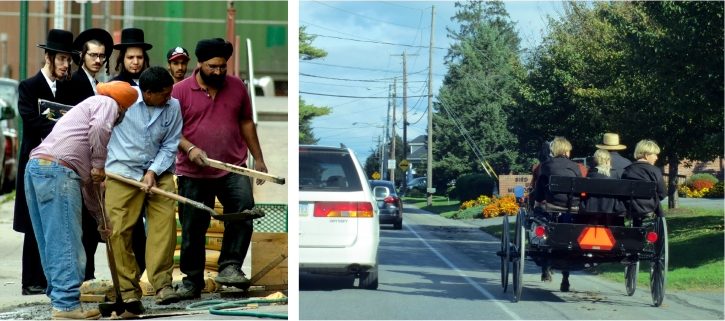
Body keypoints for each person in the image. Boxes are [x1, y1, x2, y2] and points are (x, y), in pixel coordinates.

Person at [24, 81, 138, 320]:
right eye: (124, 113)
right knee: (66, 241)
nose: (121, 117)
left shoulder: (85, 111)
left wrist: (101, 220)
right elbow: (100, 129)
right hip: (58, 171)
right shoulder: (107, 103)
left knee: (50, 241)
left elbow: (89, 188)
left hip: (37, 168)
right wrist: (99, 164)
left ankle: (61, 300)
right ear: (123, 109)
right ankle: (66, 306)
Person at [172, 38, 268, 300]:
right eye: (213, 67)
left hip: (232, 167)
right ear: (200, 64)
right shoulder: (179, 91)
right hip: (193, 172)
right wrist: (190, 149)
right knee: (193, 227)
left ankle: (230, 267)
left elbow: (247, 122)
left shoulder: (237, 86)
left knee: (244, 211)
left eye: (223, 67)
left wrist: (258, 159)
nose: (218, 72)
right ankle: (192, 281)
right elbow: (171, 131)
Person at [104, 66, 183, 311]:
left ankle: (162, 284)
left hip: (158, 172)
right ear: (147, 93)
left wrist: (152, 172)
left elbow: (171, 145)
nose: (169, 97)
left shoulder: (174, 107)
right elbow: (99, 131)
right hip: (121, 172)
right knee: (116, 232)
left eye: (170, 92)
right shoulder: (121, 102)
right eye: (163, 94)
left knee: (164, 225)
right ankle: (127, 290)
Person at [14, 29, 74, 296]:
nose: (65, 65)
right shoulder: (28, 86)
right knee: (32, 221)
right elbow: (30, 120)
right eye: (61, 59)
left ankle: (51, 278)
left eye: (68, 60)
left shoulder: (68, 89)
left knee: (55, 222)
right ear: (48, 57)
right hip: (34, 162)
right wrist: (60, 125)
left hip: (59, 165)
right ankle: (31, 281)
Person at [56, 27, 115, 282]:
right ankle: (81, 277)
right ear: (83, 56)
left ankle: (87, 275)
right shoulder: (73, 82)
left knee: (91, 225)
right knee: (81, 225)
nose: (98, 60)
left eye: (102, 56)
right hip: (78, 162)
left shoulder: (101, 86)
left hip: (94, 163)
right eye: (93, 55)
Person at [111, 27, 152, 273]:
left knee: (156, 223)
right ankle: (131, 275)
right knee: (129, 225)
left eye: (139, 57)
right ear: (122, 59)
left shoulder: (154, 84)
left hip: (152, 163)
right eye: (130, 57)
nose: (135, 62)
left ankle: (150, 274)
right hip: (124, 163)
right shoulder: (114, 87)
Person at [533, 136, 582, 291]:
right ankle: (565, 278)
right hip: (572, 207)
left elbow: (540, 190)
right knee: (568, 235)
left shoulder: (545, 166)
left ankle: (545, 264)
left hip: (552, 206)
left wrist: (538, 200)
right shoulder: (575, 166)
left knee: (541, 222)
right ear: (566, 150)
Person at [622, 139, 666, 227]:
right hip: (649, 211)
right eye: (655, 154)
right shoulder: (655, 171)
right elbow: (663, 193)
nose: (657, 158)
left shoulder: (627, 170)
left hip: (631, 212)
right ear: (646, 155)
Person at [581, 149, 626, 215]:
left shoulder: (591, 173)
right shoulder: (614, 174)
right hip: (611, 209)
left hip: (591, 208)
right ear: (608, 160)